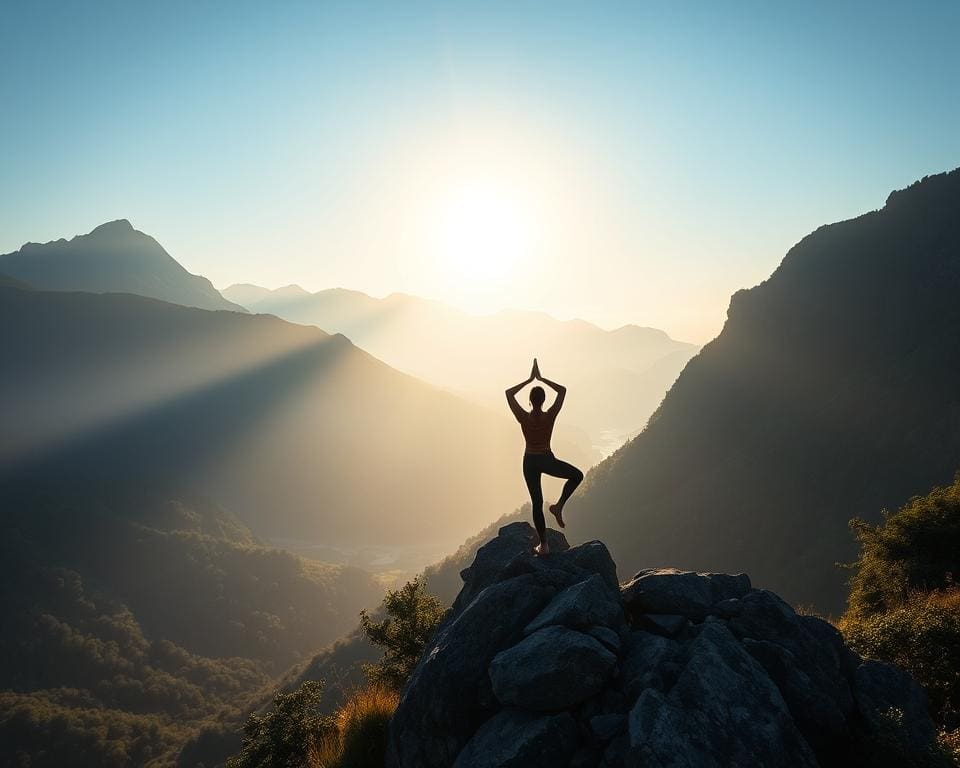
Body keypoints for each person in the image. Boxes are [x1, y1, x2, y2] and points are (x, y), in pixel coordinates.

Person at [505, 359, 584, 556]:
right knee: (577, 475)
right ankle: (559, 506)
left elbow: (508, 393)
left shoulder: (523, 417)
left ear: (530, 401)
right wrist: (541, 378)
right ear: (544, 400)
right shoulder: (550, 416)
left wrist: (529, 380)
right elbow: (563, 391)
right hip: (547, 459)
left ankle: (544, 546)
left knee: (537, 503)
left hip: (529, 461)